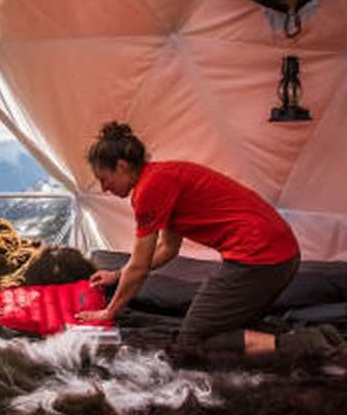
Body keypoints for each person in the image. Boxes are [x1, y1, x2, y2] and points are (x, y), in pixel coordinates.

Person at [76, 122, 300, 354]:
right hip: (282, 253)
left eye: (104, 178)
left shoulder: (150, 188)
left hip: (261, 256)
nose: (103, 188)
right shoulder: (160, 176)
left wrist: (109, 312)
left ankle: (305, 345)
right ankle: (289, 340)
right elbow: (168, 248)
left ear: (122, 166)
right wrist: (117, 274)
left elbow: (140, 266)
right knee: (225, 325)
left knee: (193, 341)